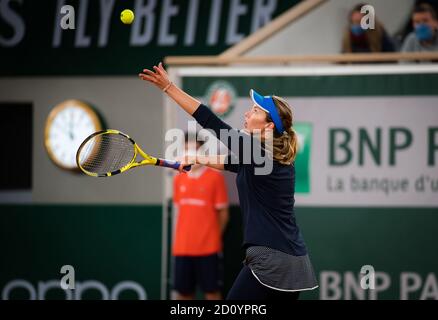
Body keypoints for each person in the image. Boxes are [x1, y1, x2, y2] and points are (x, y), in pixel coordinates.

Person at [139, 63, 318, 300]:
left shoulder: (256, 152)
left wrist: (169, 88)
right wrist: (197, 157)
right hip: (295, 266)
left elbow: (212, 122)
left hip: (271, 261)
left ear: (269, 125)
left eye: (255, 111)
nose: (246, 113)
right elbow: (230, 163)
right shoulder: (269, 157)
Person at [172, 132, 229, 300]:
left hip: (209, 249)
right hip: (182, 249)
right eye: (186, 149)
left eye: (194, 150)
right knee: (183, 293)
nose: (189, 154)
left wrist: (212, 239)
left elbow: (224, 215)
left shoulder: (215, 178)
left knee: (212, 292)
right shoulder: (178, 179)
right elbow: (179, 214)